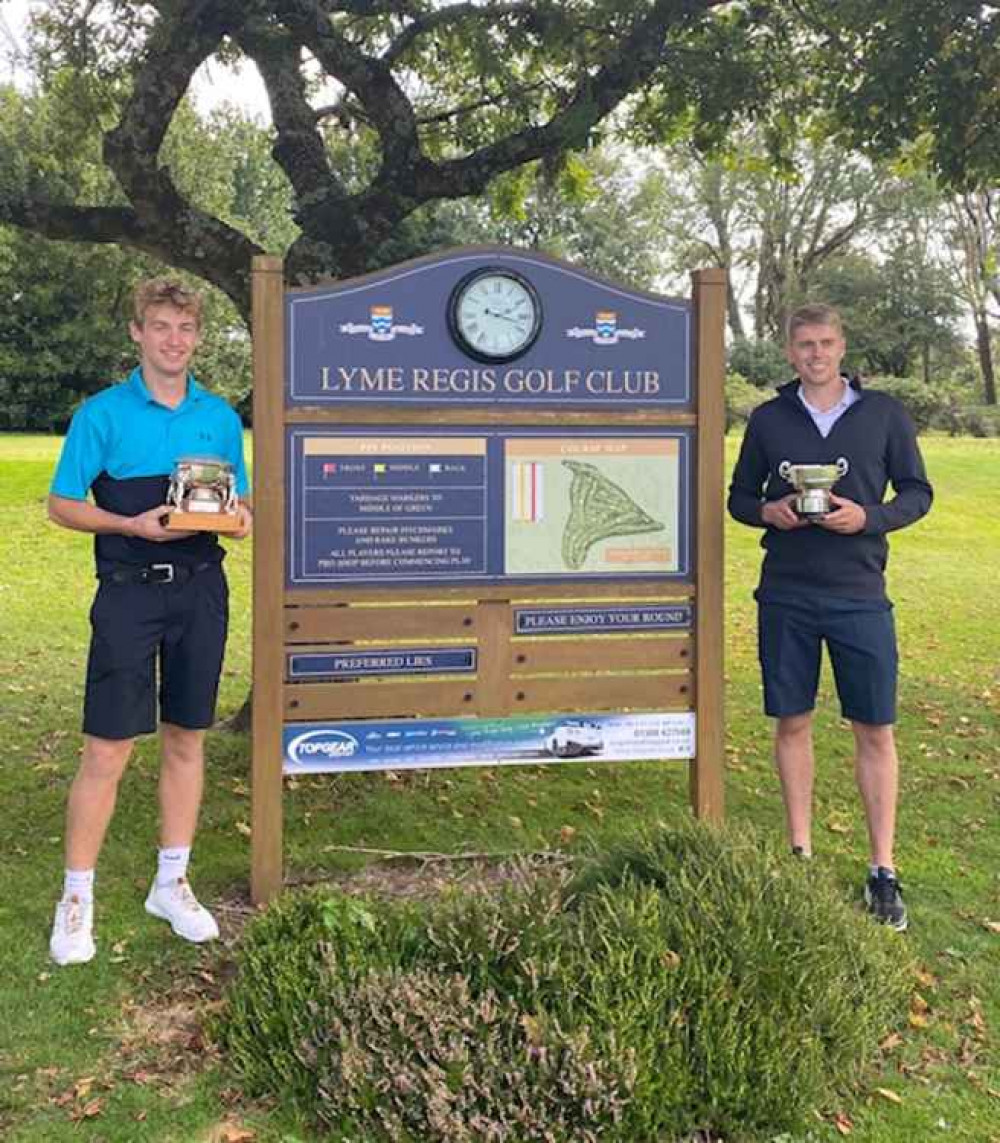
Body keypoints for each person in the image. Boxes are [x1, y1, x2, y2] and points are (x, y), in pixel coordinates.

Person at [47, 278, 252, 966]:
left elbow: (238, 502)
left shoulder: (219, 416)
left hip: (201, 590)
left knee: (186, 738)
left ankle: (172, 881)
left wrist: (240, 518)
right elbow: (62, 503)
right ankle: (77, 897)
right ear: (136, 331)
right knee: (107, 747)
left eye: (185, 328)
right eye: (159, 326)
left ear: (198, 336)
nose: (173, 339)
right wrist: (129, 523)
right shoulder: (101, 414)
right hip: (129, 593)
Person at [728, 303, 932, 932]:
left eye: (826, 343)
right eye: (804, 344)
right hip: (786, 592)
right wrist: (772, 512)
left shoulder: (884, 415)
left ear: (843, 347)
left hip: (859, 592)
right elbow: (739, 497)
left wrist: (866, 517)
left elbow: (918, 493)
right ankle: (799, 851)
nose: (816, 353)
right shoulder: (768, 419)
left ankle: (882, 870)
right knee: (792, 722)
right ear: (789, 352)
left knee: (875, 730)